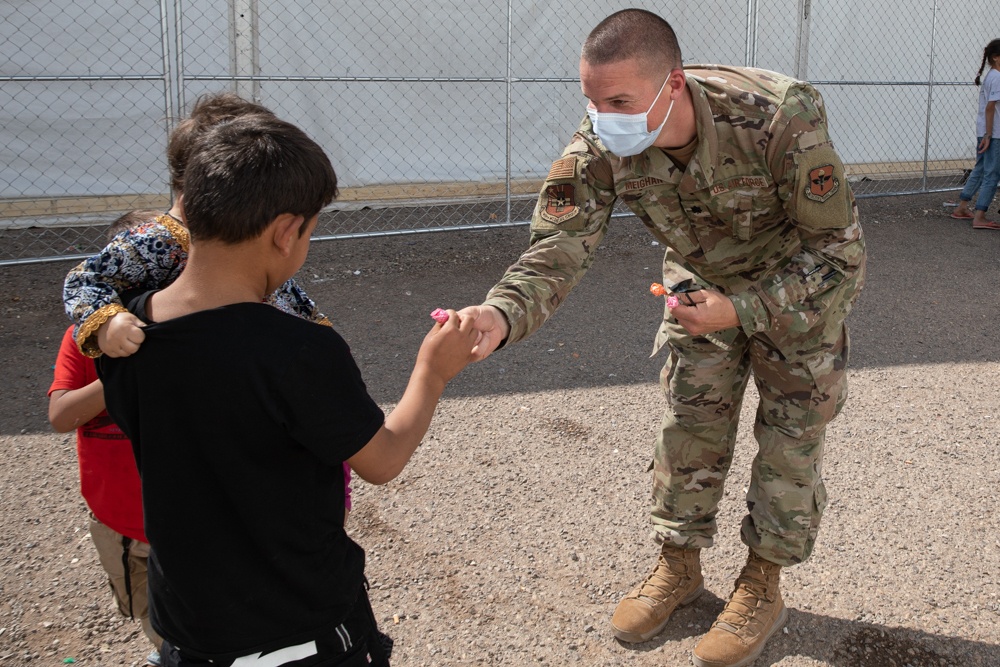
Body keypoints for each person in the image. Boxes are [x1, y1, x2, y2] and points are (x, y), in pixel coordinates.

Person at [457, 9, 866, 667]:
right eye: (590, 99)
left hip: (792, 294)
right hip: (698, 285)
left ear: (671, 83)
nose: (601, 115)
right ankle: (680, 563)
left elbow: (839, 252)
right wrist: (501, 314)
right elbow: (561, 241)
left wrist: (744, 308)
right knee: (690, 426)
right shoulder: (601, 141)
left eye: (617, 100)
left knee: (791, 438)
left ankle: (761, 582)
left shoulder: (774, 120)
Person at [97, 113, 478, 667]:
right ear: (286, 231)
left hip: (189, 626)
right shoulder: (296, 350)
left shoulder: (124, 333)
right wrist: (432, 372)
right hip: (300, 629)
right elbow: (383, 458)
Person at [63, 93, 356, 524]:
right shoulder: (151, 240)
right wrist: (107, 320)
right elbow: (85, 279)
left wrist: (324, 347)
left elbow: (291, 301)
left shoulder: (245, 245)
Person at [48, 211, 166, 667]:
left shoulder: (190, 336)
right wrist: (118, 377)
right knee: (151, 616)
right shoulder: (84, 338)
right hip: (122, 524)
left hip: (192, 526)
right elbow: (60, 415)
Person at [950, 39, 1000, 230]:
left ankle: (962, 207)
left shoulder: (991, 76)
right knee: (992, 174)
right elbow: (990, 107)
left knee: (980, 169)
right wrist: (989, 134)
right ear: (995, 58)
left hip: (986, 131)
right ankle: (980, 216)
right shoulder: (997, 77)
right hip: (993, 133)